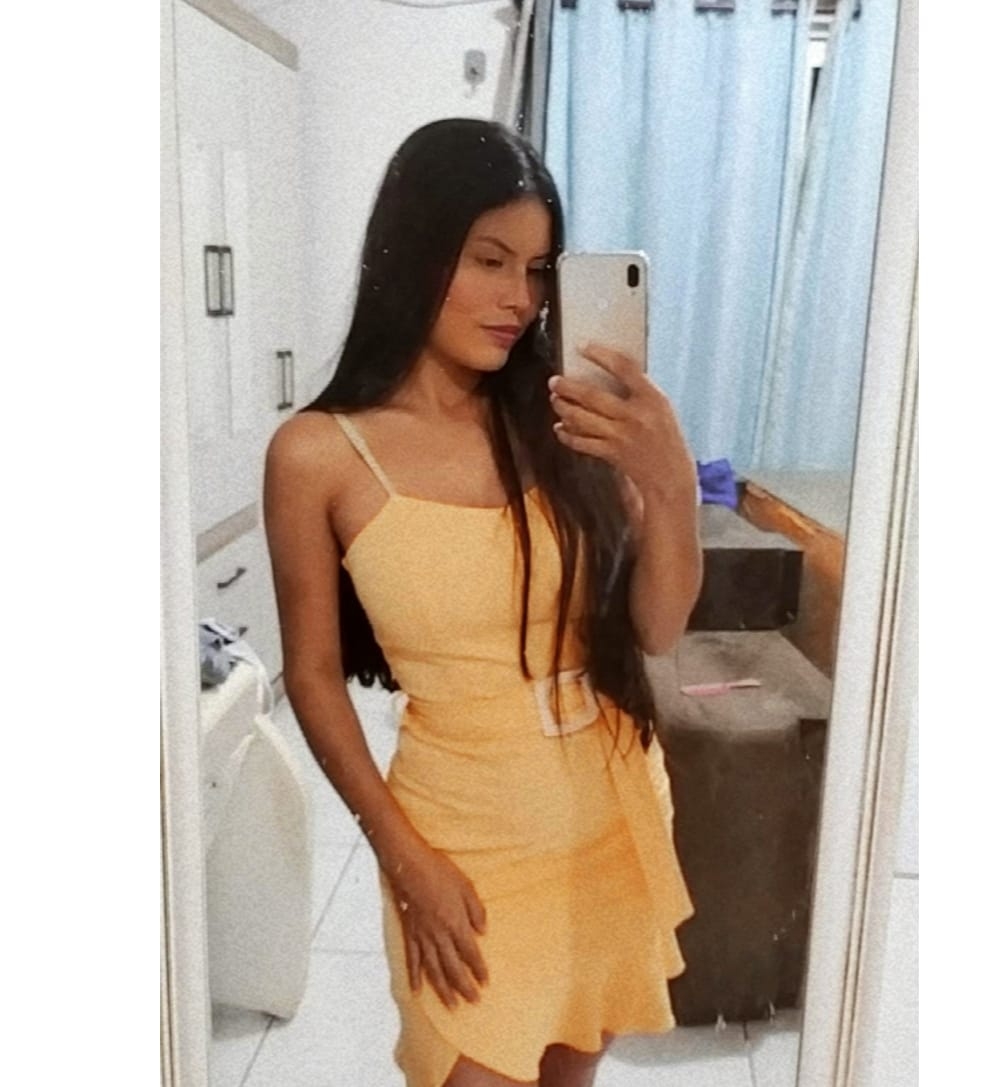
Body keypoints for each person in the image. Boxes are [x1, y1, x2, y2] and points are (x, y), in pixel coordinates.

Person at [263, 118, 703, 1087]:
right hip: (461, 841)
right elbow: (313, 676)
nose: (520, 299)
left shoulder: (561, 417)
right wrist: (402, 857)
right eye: (490, 260)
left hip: (608, 814)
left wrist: (670, 484)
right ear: (412, 252)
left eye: (538, 270)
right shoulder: (318, 454)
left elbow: (659, 625)